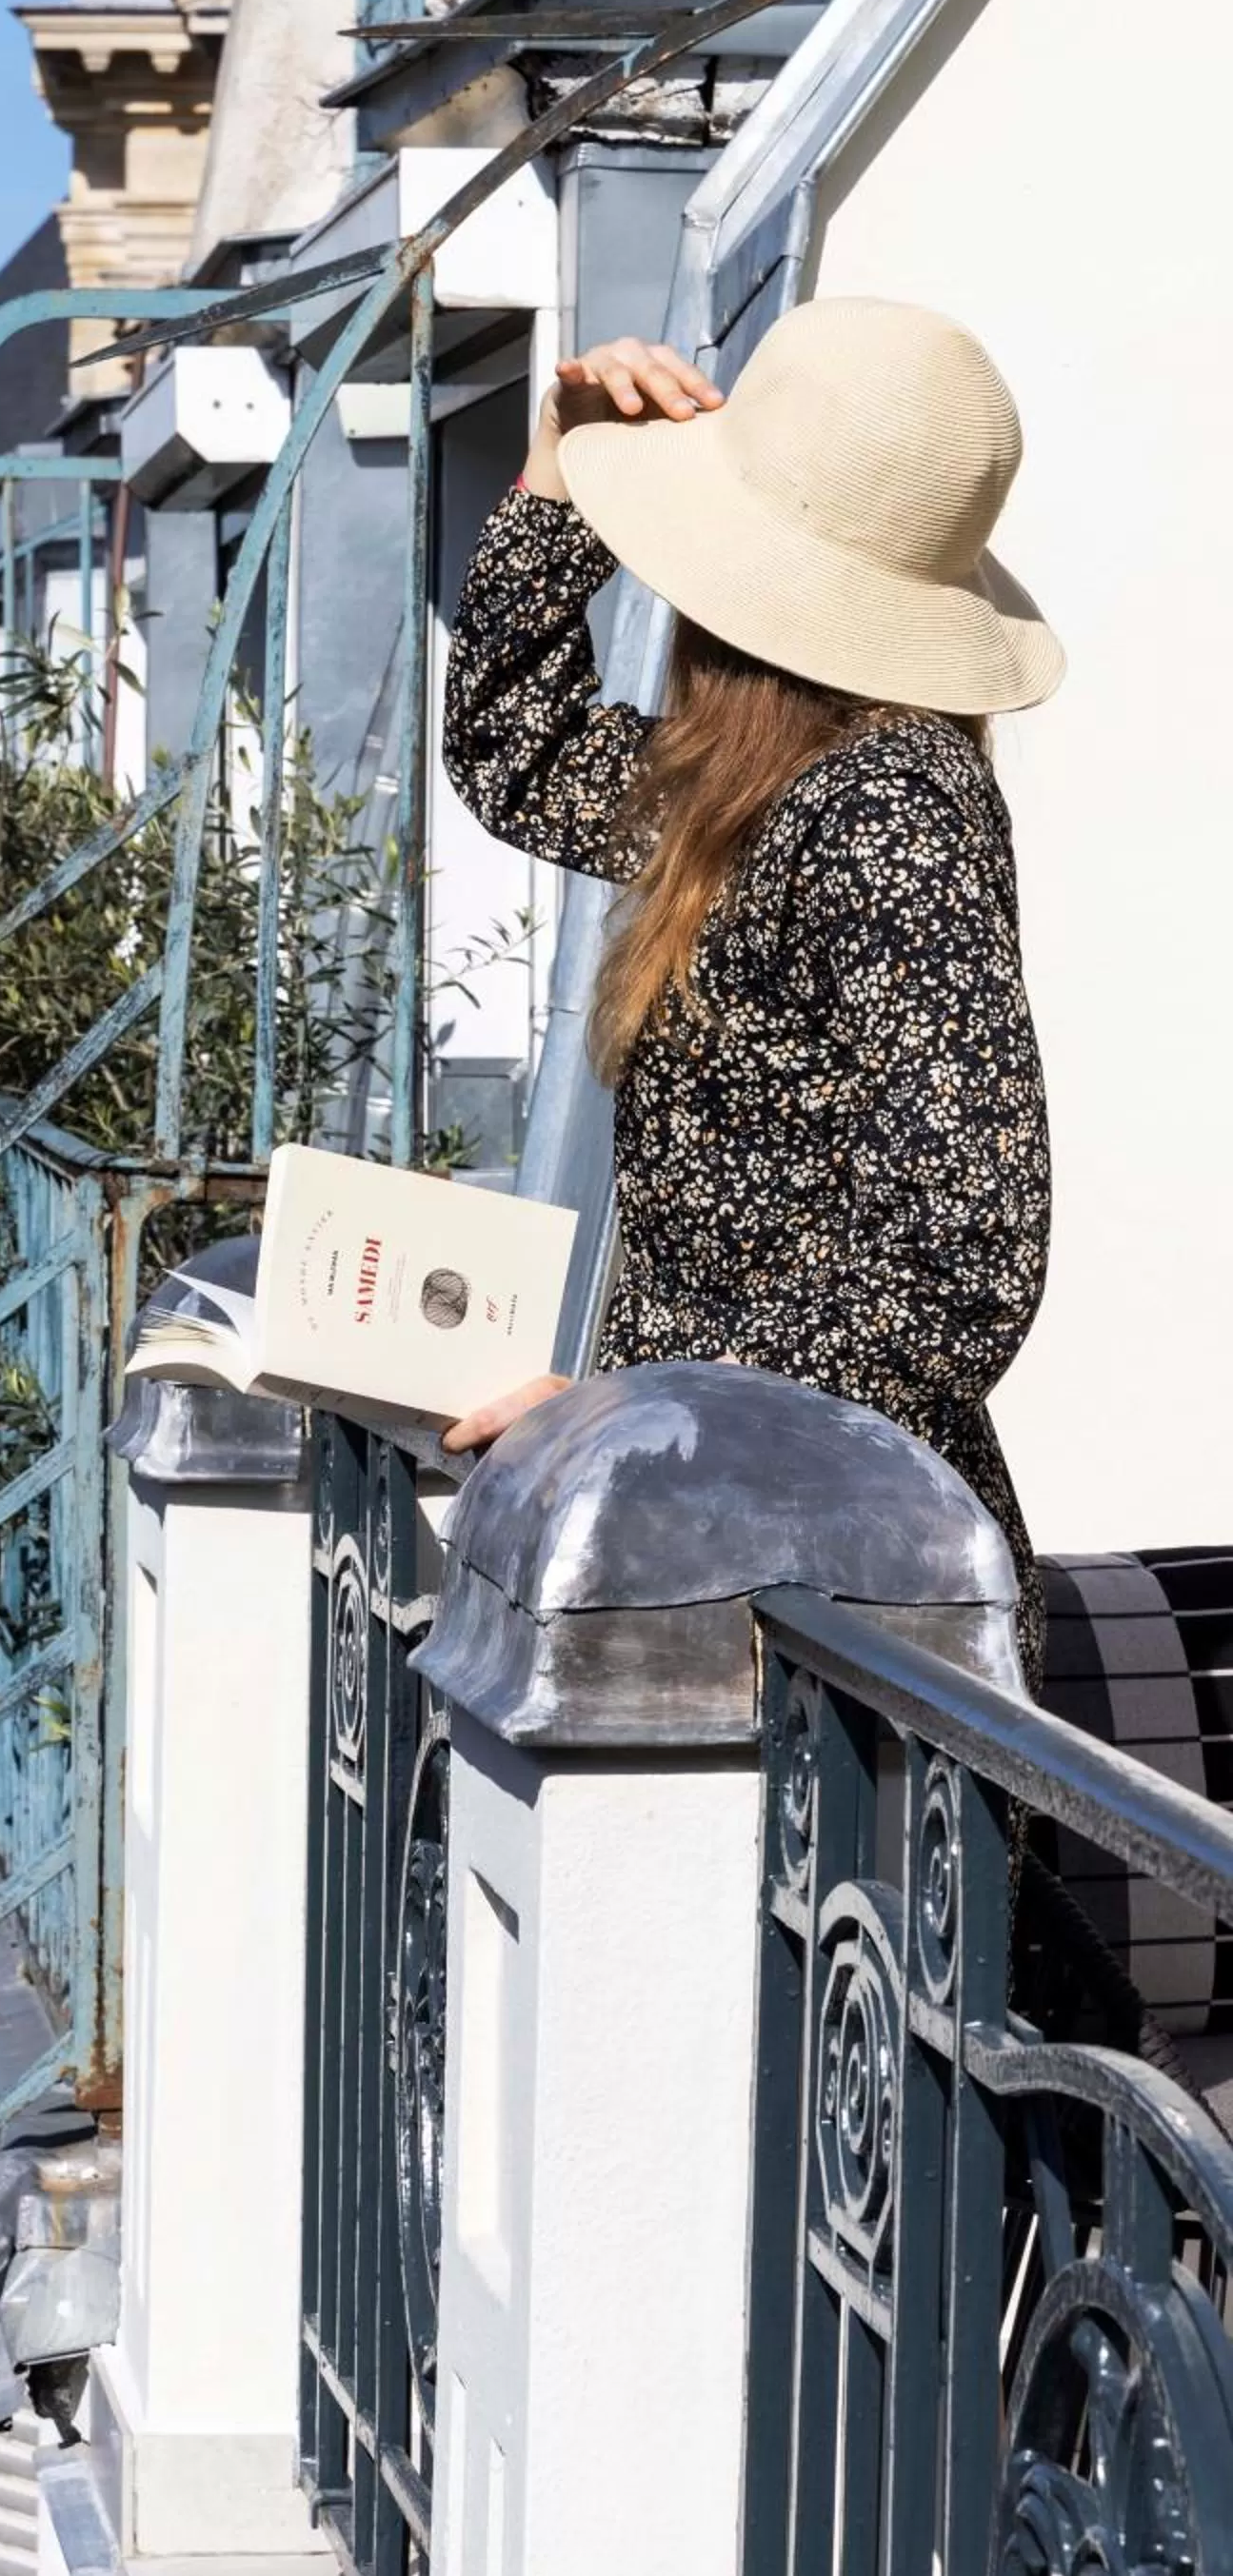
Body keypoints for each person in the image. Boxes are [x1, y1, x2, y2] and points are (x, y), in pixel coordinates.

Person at [439, 297, 1059, 1694]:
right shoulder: (753, 784)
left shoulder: (890, 811)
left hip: (839, 1583)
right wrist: (559, 470)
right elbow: (508, 742)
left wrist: (637, 1405)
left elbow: (961, 1265)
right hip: (731, 1539)